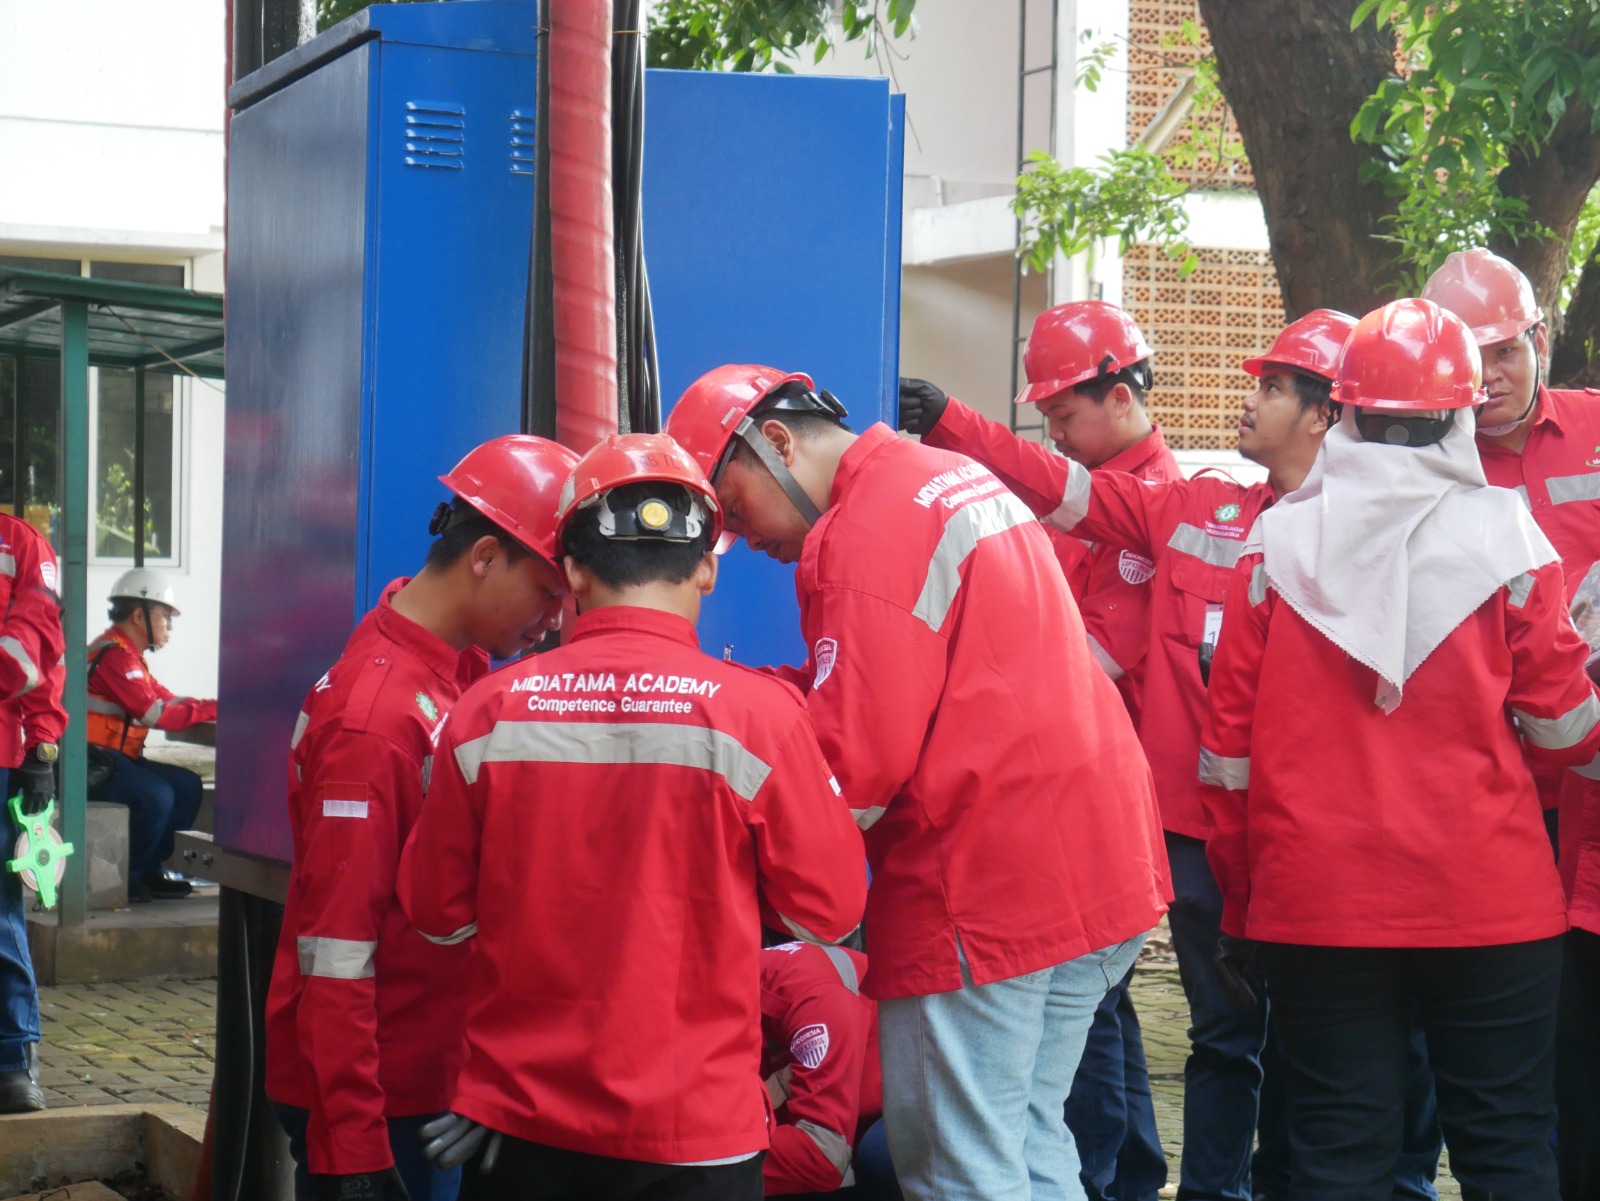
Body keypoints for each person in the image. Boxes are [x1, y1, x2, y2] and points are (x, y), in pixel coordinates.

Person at [664, 365, 1168, 1201]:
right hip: (1099, 865)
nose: (743, 539)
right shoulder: (944, 476)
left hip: (988, 890)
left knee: (959, 1165)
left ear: (777, 442)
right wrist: (753, 697)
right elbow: (908, 681)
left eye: (737, 509)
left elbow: (853, 770)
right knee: (1029, 1138)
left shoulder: (860, 532)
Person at [901, 306, 1360, 1201]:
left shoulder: (1365, 538)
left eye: (1272, 386)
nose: (1248, 398)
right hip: (1191, 828)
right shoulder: (1200, 508)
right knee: (1222, 1036)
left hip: (1308, 837)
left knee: (1319, 1048)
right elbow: (1068, 491)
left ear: (1326, 414)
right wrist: (954, 421)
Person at [1199, 297, 1600, 1200]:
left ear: (1343, 410)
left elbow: (1228, 763)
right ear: (1460, 413)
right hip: (1492, 903)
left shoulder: (1273, 546)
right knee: (1506, 1149)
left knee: (1338, 1151)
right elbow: (1565, 729)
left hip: (1317, 904)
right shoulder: (1511, 538)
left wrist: (1244, 903)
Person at [400, 433, 866, 1201]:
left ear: (574, 572)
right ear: (707, 568)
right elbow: (832, 909)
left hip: (521, 1128)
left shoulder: (486, 712)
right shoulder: (762, 718)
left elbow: (435, 912)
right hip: (698, 1136)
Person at [906, 300, 1177, 1201]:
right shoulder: (1098, 494)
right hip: (1088, 812)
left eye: (1063, 413)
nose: (1054, 433)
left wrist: (953, 683)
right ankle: (1121, 1176)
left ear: (1121, 394)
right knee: (1085, 1049)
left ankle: (1111, 1178)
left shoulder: (1149, 503)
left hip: (1082, 814)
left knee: (1069, 1068)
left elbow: (1088, 658)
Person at [265, 434, 580, 1201]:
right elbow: (337, 945)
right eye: (547, 593)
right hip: (377, 1093)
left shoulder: (449, 669)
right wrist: (354, 1145)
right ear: (484, 557)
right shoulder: (377, 721)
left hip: (424, 1072)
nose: (554, 620)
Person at [1422, 251, 1600, 1199]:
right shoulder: (1421, 462)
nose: (1487, 376)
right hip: (1486, 801)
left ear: (1539, 339)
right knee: (1481, 1054)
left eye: (1503, 352)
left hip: (1587, 790)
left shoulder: (1597, 429)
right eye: (1467, 357)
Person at [85, 569, 215, 902]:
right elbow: (155, 713)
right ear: (138, 615)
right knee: (156, 795)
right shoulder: (114, 657)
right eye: (165, 617)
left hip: (114, 759)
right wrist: (214, 709)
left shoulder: (130, 657)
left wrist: (214, 706)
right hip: (91, 761)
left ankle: (150, 871)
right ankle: (126, 877)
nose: (169, 626)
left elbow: (168, 699)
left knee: (187, 786)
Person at [0, 513, 65, 1114]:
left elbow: (35, 654)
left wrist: (41, 747)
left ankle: (12, 1059)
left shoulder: (18, 543)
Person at [759, 941, 888, 1198]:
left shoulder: (814, 996)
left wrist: (706, 1161)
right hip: (835, 1113)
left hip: (896, 1117)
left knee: (878, 1159)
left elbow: (823, 1155)